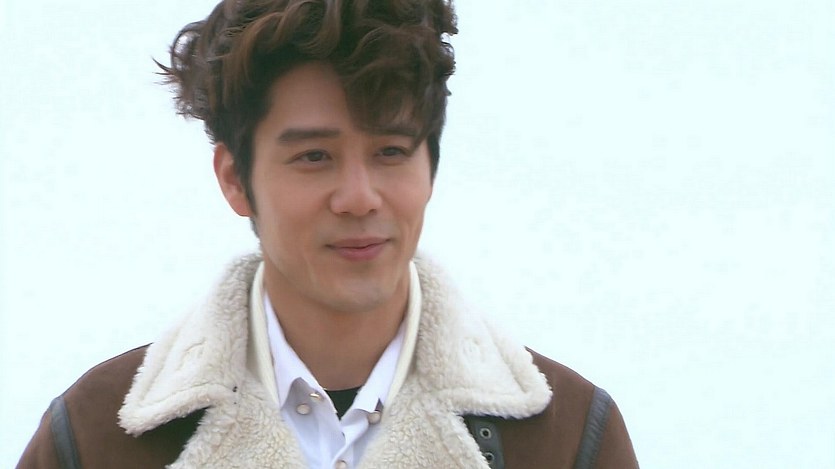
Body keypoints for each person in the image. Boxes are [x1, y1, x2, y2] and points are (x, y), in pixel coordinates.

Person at [18, 0, 638, 467]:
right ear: (234, 179)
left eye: (391, 151)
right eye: (314, 157)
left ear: (432, 167)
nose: (359, 197)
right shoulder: (96, 437)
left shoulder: (567, 438)